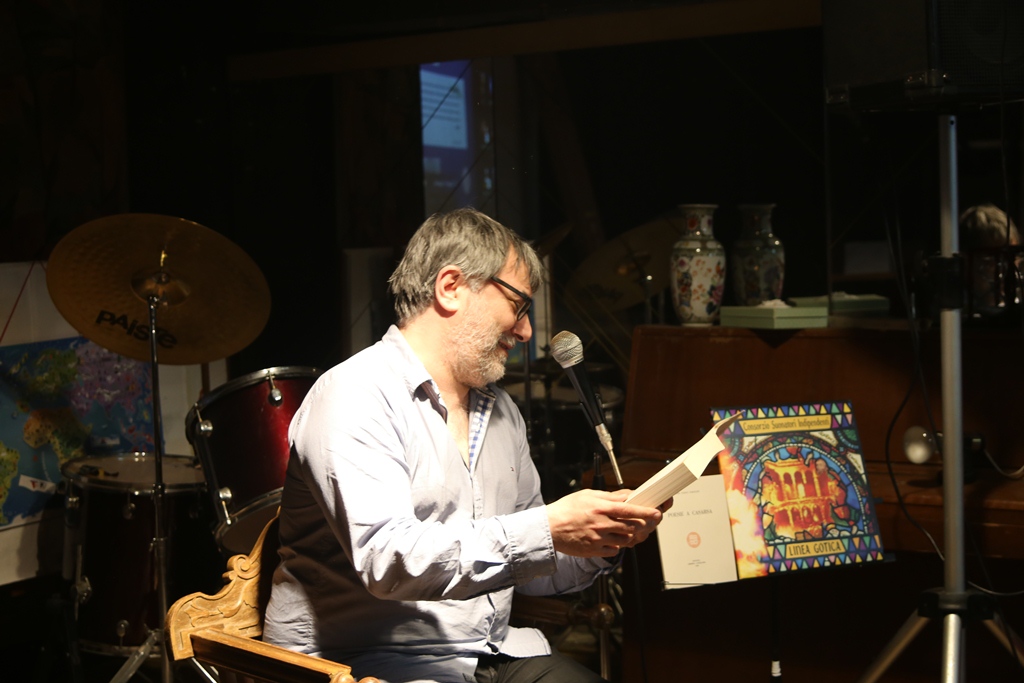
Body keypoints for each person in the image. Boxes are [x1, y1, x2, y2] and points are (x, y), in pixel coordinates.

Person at [263, 208, 668, 683]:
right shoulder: (354, 395)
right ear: (451, 287)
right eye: (518, 305)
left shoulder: (502, 411)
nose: (526, 331)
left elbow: (534, 565)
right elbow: (390, 563)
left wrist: (604, 539)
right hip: (362, 661)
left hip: (486, 653)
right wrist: (546, 528)